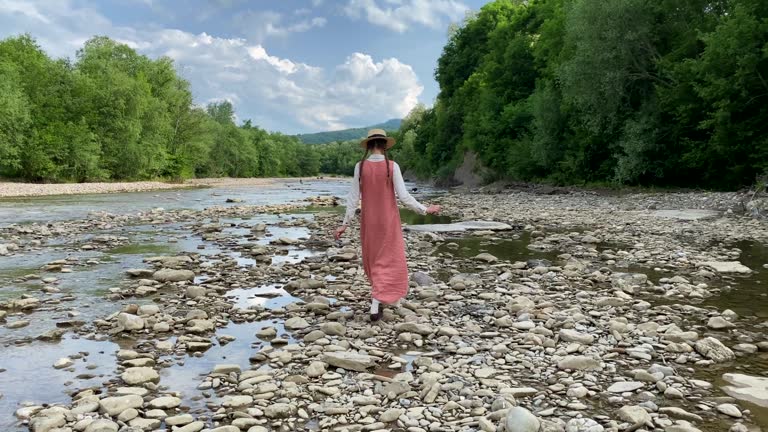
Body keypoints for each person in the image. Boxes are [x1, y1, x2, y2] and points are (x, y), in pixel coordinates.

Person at [334, 129, 441, 321]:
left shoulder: (360, 167)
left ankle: (380, 301)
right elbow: (404, 197)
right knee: (390, 259)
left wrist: (345, 224)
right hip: (389, 221)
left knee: (375, 260)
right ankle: (377, 302)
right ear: (384, 146)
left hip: (369, 222)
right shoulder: (392, 166)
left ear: (369, 145)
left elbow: (352, 198)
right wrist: (425, 210)